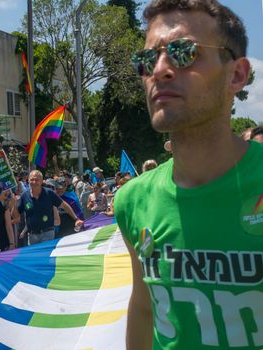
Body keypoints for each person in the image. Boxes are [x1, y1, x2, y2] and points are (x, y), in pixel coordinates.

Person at [115, 1, 258, 349]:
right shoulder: (131, 200)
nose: (160, 70)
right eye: (147, 60)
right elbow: (145, 307)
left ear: (237, 75)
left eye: (183, 52)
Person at [18, 170, 83, 245]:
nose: (34, 182)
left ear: (42, 181)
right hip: (32, 236)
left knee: (46, 256)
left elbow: (64, 205)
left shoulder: (49, 193)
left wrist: (76, 219)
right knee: (36, 256)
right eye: (32, 179)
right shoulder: (24, 196)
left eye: (37, 180)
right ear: (28, 180)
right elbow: (17, 214)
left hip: (47, 234)